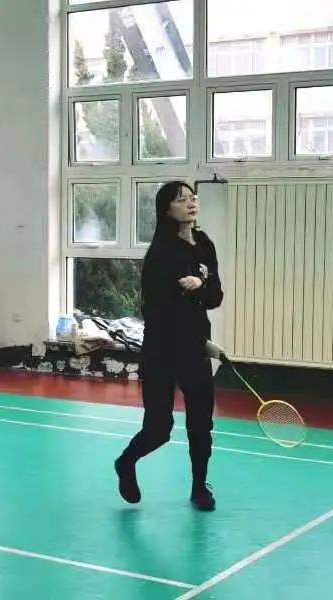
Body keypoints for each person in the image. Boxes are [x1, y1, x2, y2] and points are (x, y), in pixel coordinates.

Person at [114, 181, 223, 511]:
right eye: (181, 199)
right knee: (159, 429)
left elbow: (215, 296)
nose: (190, 203)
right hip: (161, 350)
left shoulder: (204, 245)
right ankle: (126, 462)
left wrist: (200, 286)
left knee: (201, 425)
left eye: (192, 197)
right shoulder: (161, 254)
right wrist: (191, 304)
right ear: (167, 209)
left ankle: (199, 487)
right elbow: (158, 309)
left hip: (194, 349)